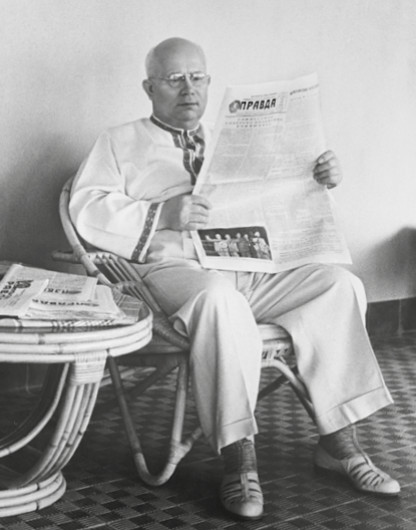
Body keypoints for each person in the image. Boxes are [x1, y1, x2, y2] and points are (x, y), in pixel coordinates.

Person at [69, 37, 400, 521]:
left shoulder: (231, 138)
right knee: (220, 300)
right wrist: (163, 214)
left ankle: (339, 441)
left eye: (198, 77)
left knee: (339, 285)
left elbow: (281, 205)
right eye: (174, 79)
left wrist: (320, 179)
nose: (189, 89)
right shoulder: (119, 141)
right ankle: (237, 456)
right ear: (149, 87)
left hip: (249, 270)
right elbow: (86, 207)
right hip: (173, 273)